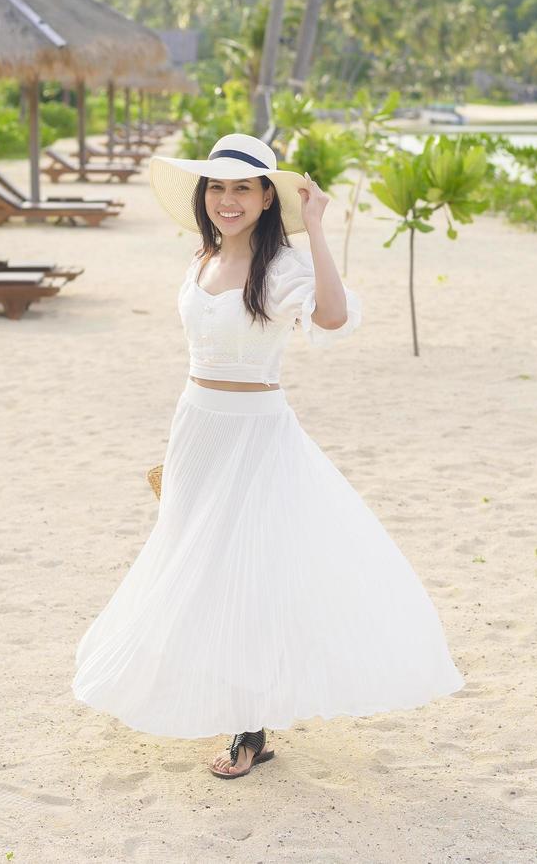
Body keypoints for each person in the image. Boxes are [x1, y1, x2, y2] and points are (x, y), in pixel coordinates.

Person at [71, 133, 464, 779]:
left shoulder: (280, 267)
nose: (228, 200)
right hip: (195, 427)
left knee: (245, 574)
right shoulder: (199, 260)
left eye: (242, 188)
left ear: (263, 198)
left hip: (256, 434)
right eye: (217, 188)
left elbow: (333, 318)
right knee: (192, 563)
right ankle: (223, 703)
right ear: (205, 197)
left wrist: (313, 228)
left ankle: (247, 730)